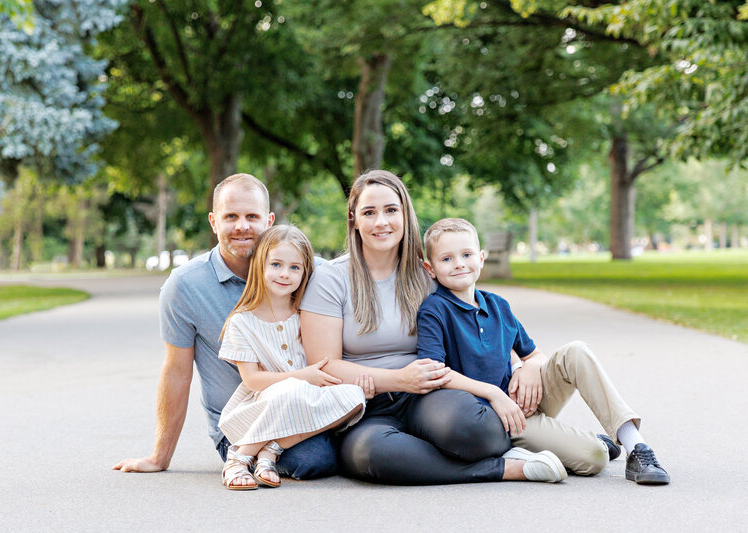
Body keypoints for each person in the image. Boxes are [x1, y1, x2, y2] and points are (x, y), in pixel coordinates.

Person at [300, 170, 567, 485]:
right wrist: (399, 379)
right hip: (366, 407)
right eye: (369, 213)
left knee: (479, 432)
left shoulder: (428, 275)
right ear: (354, 219)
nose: (381, 221)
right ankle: (505, 469)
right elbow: (324, 366)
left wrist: (525, 363)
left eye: (390, 210)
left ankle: (453, 453)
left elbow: (483, 321)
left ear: (405, 214)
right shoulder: (331, 279)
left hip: (429, 395)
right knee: (371, 455)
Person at [113, 174, 338, 479]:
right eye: (231, 216)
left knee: (343, 431)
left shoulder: (309, 271)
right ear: (213, 221)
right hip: (240, 425)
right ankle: (244, 456)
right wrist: (160, 456)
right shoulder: (185, 286)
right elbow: (177, 370)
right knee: (312, 459)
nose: (242, 226)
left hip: (305, 407)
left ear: (269, 220)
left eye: (252, 216)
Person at [416, 217, 670, 485]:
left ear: (480, 258)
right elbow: (434, 372)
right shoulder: (434, 310)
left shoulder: (498, 305)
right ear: (430, 269)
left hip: (522, 400)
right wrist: (492, 394)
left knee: (576, 351)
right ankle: (587, 443)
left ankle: (637, 447)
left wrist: (530, 367)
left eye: (466, 254)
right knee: (594, 457)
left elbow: (534, 353)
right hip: (496, 420)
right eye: (447, 259)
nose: (458, 263)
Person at [217, 225, 368, 490]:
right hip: (267, 400)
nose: (285, 274)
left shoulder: (307, 314)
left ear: (305, 272)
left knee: (355, 397)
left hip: (308, 397)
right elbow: (252, 380)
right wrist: (302, 376)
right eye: (276, 264)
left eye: (295, 268)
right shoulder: (242, 322)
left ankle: (271, 449)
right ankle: (238, 457)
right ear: (261, 266)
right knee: (292, 388)